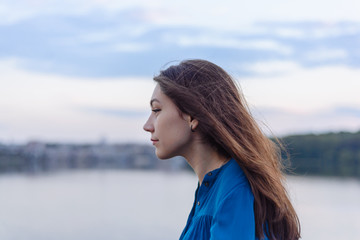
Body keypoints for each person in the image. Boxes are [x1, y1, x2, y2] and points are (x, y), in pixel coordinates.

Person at [143, 59, 301, 240]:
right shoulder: (211, 188)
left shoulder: (235, 188)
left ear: (192, 116)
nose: (147, 125)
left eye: (156, 110)